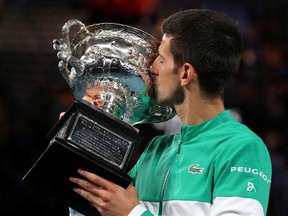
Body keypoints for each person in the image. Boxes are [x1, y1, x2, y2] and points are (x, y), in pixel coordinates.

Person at [68, 9, 272, 216]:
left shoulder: (240, 148)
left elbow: (128, 212)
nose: (151, 68)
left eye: (161, 59)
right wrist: (88, 139)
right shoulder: (156, 151)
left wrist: (132, 214)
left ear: (185, 73)